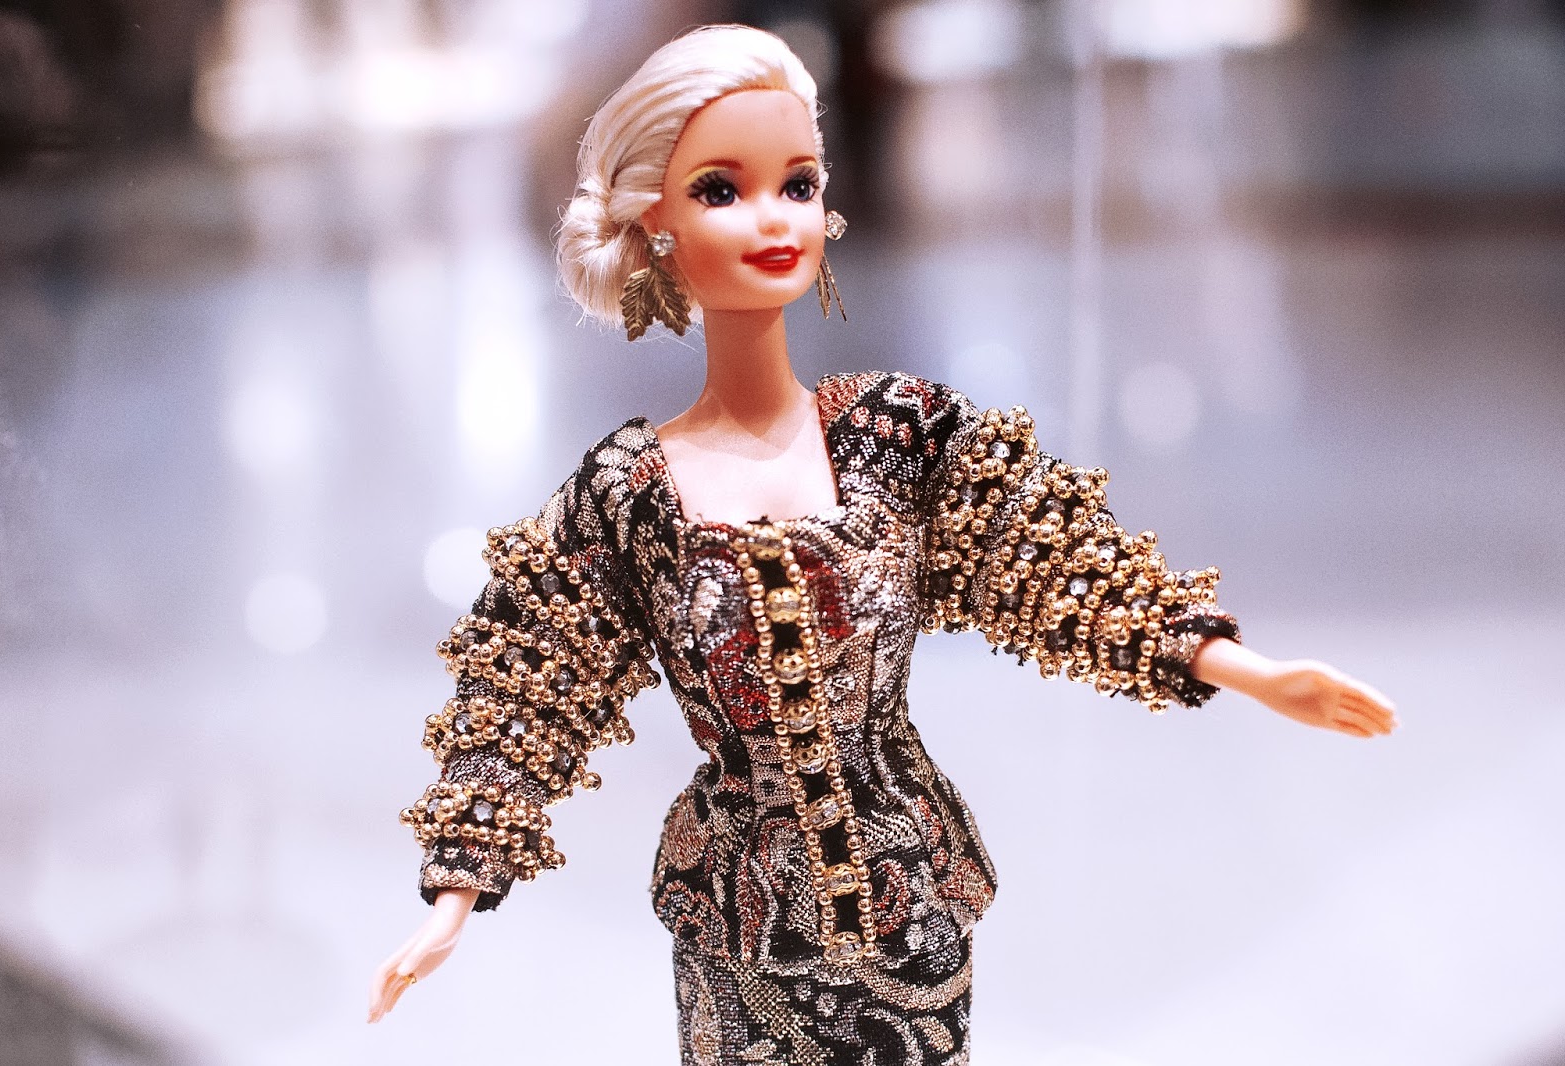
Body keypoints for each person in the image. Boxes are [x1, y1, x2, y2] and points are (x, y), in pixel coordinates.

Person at [365, 24, 1396, 1063]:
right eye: (721, 189)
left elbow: (1050, 561)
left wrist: (1244, 669)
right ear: (653, 223)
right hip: (736, 929)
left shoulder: (898, 436)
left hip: (914, 902)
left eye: (798, 183)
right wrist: (457, 892)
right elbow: (529, 679)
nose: (774, 216)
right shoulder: (629, 492)